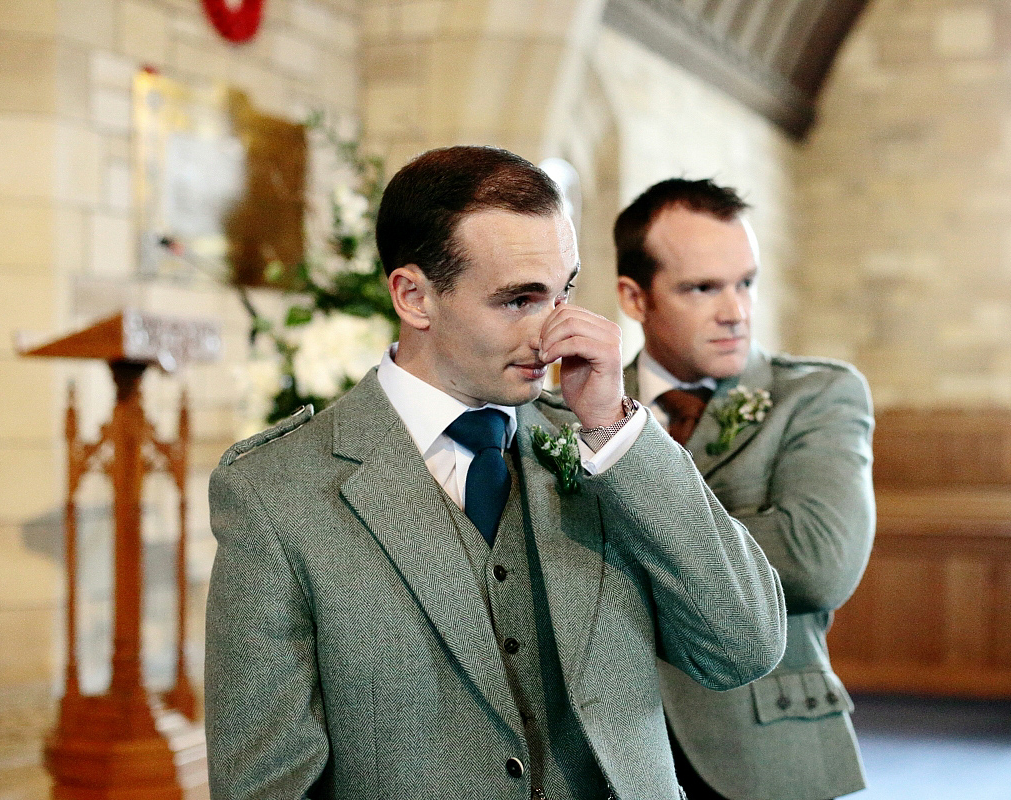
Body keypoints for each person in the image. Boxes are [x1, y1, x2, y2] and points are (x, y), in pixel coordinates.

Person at [204, 147, 786, 800]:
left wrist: (617, 431)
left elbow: (743, 646)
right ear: (413, 295)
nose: (553, 334)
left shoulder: (606, 447)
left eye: (563, 291)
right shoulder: (276, 493)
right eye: (518, 301)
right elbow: (265, 787)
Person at [614, 178, 875, 800]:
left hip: (766, 749)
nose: (736, 311)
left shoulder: (814, 396)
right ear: (635, 297)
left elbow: (817, 564)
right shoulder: (578, 415)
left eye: (746, 282)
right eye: (702, 288)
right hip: (613, 752)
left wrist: (622, 527)